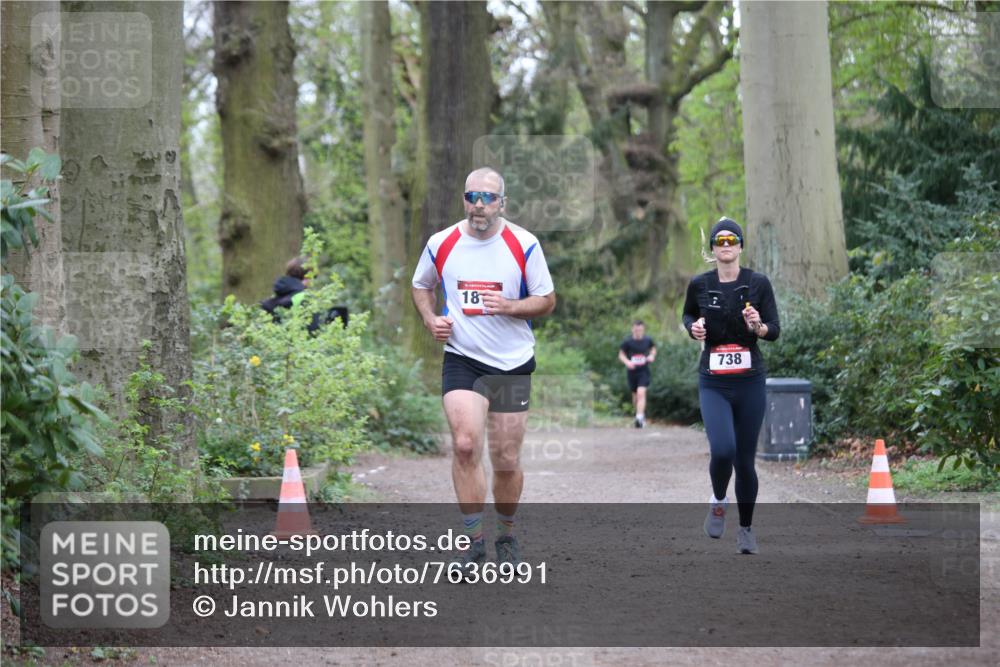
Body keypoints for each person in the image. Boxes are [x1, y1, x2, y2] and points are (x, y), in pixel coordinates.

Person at [411, 167, 556, 570]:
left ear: (502, 203)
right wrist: (429, 319)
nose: (479, 205)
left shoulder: (524, 244)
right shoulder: (441, 243)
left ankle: (506, 535)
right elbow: (421, 285)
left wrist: (511, 306)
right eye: (472, 196)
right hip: (463, 358)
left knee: (506, 457)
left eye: (488, 198)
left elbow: (546, 300)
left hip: (511, 364)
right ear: (463, 200)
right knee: (465, 444)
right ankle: (473, 544)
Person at [682, 217, 780, 555]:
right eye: (719, 241)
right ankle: (719, 499)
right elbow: (688, 316)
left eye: (732, 240)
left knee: (745, 460)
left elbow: (774, 328)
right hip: (714, 382)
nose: (726, 246)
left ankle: (747, 530)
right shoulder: (699, 284)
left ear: (740, 246)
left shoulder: (758, 283)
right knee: (722, 449)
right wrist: (693, 328)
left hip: (749, 380)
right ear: (712, 248)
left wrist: (758, 328)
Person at [261, 256, 348, 331]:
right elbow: (313, 333)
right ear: (307, 277)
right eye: (313, 278)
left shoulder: (272, 300)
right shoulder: (305, 299)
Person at [618, 320, 656, 428]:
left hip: (643, 371)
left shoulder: (648, 340)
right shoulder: (627, 342)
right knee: (635, 397)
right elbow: (621, 355)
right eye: (636, 329)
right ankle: (639, 416)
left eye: (640, 330)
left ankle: (639, 418)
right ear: (632, 329)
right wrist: (627, 362)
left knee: (641, 393)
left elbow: (653, 349)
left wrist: (651, 356)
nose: (638, 332)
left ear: (643, 330)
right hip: (632, 372)